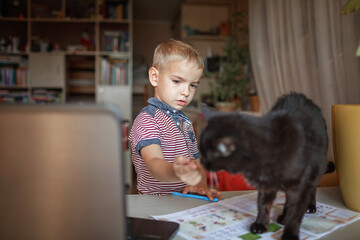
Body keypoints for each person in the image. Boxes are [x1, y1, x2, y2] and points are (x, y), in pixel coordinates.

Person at [129, 39, 221, 200]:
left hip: (183, 202)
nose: (186, 92)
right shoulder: (147, 120)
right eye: (177, 81)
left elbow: (196, 164)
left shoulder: (185, 123)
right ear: (154, 77)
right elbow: (155, 163)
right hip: (154, 204)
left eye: (193, 85)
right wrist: (176, 171)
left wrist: (200, 185)